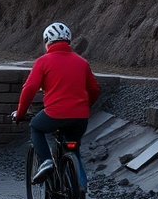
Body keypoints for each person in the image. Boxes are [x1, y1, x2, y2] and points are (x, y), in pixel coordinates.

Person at [11, 22, 101, 183]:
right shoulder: (82, 62)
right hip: (80, 118)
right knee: (73, 149)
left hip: (55, 114)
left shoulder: (43, 62)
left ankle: (46, 162)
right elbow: (94, 90)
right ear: (68, 41)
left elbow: (30, 88)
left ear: (47, 41)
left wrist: (21, 113)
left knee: (36, 127)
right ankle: (77, 195)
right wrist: (84, 108)